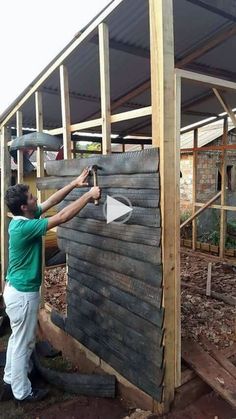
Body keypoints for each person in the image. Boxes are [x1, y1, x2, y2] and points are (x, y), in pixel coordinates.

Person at [0, 168, 100, 403]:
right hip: (23, 295)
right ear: (24, 206)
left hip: (16, 291)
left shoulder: (22, 218)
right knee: (24, 344)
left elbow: (54, 201)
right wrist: (89, 195)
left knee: (17, 339)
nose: (36, 199)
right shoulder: (26, 227)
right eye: (32, 197)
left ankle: (9, 380)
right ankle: (22, 392)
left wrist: (76, 184)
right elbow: (62, 216)